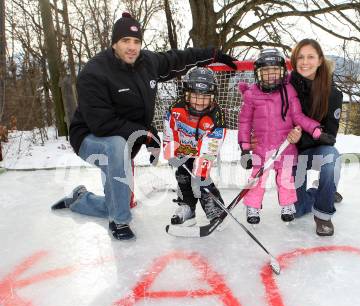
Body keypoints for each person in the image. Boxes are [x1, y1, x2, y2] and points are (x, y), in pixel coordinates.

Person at [51, 12, 236, 241]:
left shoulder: (147, 62)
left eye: (136, 42)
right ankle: (119, 222)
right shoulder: (94, 73)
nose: (132, 47)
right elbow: (102, 124)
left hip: (126, 138)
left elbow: (179, 58)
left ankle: (80, 199)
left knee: (121, 201)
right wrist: (147, 136)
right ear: (114, 43)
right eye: (125, 41)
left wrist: (213, 54)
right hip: (90, 138)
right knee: (117, 149)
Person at [238, 48, 336, 225]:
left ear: (283, 72)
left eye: (275, 71)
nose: (271, 75)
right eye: (266, 71)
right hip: (261, 148)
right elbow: (244, 123)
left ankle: (287, 205)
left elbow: (298, 117)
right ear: (257, 73)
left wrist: (316, 131)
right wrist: (245, 149)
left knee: (286, 179)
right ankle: (252, 206)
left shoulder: (289, 91)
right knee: (257, 178)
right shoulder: (251, 94)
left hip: (286, 146)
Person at [289, 38, 343, 236]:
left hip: (315, 148)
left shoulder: (333, 93)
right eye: (300, 57)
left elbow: (329, 136)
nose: (305, 62)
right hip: (290, 151)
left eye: (310, 56)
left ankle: (323, 214)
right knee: (296, 210)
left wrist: (301, 136)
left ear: (320, 60)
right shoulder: (286, 88)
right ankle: (321, 192)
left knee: (331, 158)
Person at [163, 67, 226, 226]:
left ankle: (216, 208)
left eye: (204, 97)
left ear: (212, 97)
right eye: (195, 96)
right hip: (183, 149)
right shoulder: (175, 109)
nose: (199, 102)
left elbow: (212, 144)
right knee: (182, 176)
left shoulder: (215, 117)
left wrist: (201, 169)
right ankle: (188, 208)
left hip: (203, 151)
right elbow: (169, 131)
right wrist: (171, 151)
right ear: (186, 94)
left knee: (201, 178)